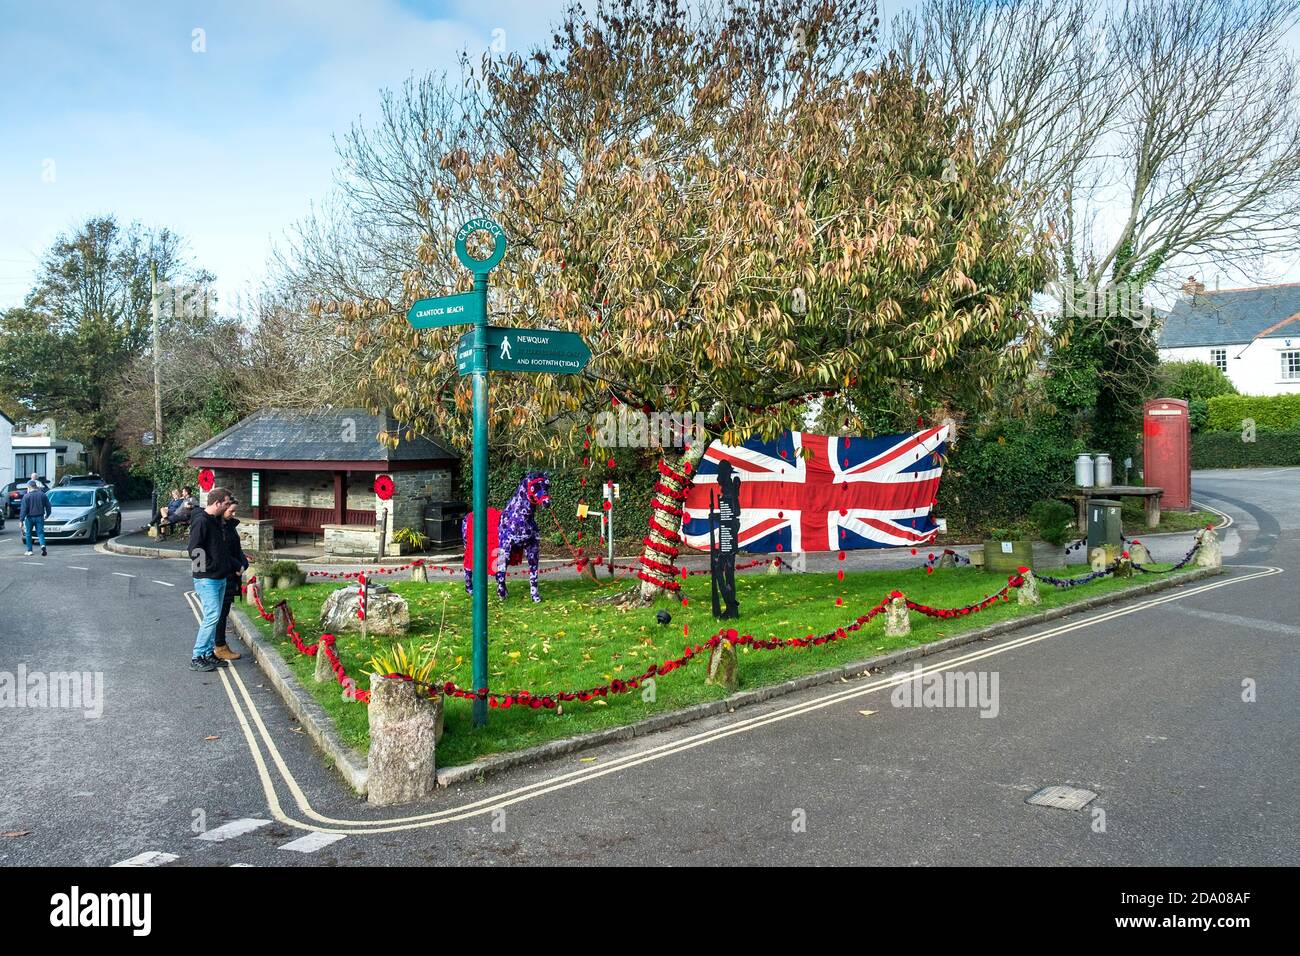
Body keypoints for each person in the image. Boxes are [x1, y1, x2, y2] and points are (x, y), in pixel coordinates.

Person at [188, 487, 235, 672]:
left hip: (219, 576)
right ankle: (197, 656)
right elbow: (194, 549)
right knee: (212, 616)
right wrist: (205, 571)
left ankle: (208, 654)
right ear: (217, 503)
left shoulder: (215, 520)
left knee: (214, 618)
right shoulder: (201, 522)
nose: (228, 506)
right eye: (226, 503)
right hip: (208, 579)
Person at [213, 496, 249, 661]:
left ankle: (220, 645)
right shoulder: (219, 527)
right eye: (231, 510)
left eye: (235, 510)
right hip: (225, 574)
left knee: (224, 611)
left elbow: (237, 549)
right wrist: (237, 566)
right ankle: (219, 646)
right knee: (220, 613)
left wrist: (244, 564)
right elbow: (223, 552)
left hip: (233, 572)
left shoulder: (230, 525)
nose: (233, 514)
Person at [19, 479, 51, 557]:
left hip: (29, 518)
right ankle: (43, 546)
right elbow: (48, 506)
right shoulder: (42, 495)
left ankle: (29, 550)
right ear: (35, 486)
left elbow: (24, 509)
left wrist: (21, 520)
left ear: (29, 487)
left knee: (28, 534)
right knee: (40, 533)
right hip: (40, 517)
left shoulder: (26, 496)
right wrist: (47, 515)